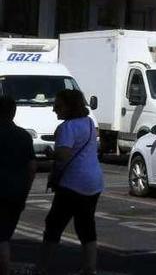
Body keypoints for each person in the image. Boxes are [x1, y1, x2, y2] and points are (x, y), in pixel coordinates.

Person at [36, 89, 103, 275]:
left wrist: (50, 154)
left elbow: (64, 155)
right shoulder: (88, 123)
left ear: (69, 107)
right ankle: (90, 268)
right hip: (94, 181)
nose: (54, 110)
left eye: (58, 106)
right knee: (86, 225)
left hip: (73, 183)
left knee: (53, 225)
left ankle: (41, 267)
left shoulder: (67, 128)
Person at [0, 96, 37, 275]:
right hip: (14, 193)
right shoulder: (23, 136)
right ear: (14, 112)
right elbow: (31, 168)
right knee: (4, 236)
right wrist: (25, 194)